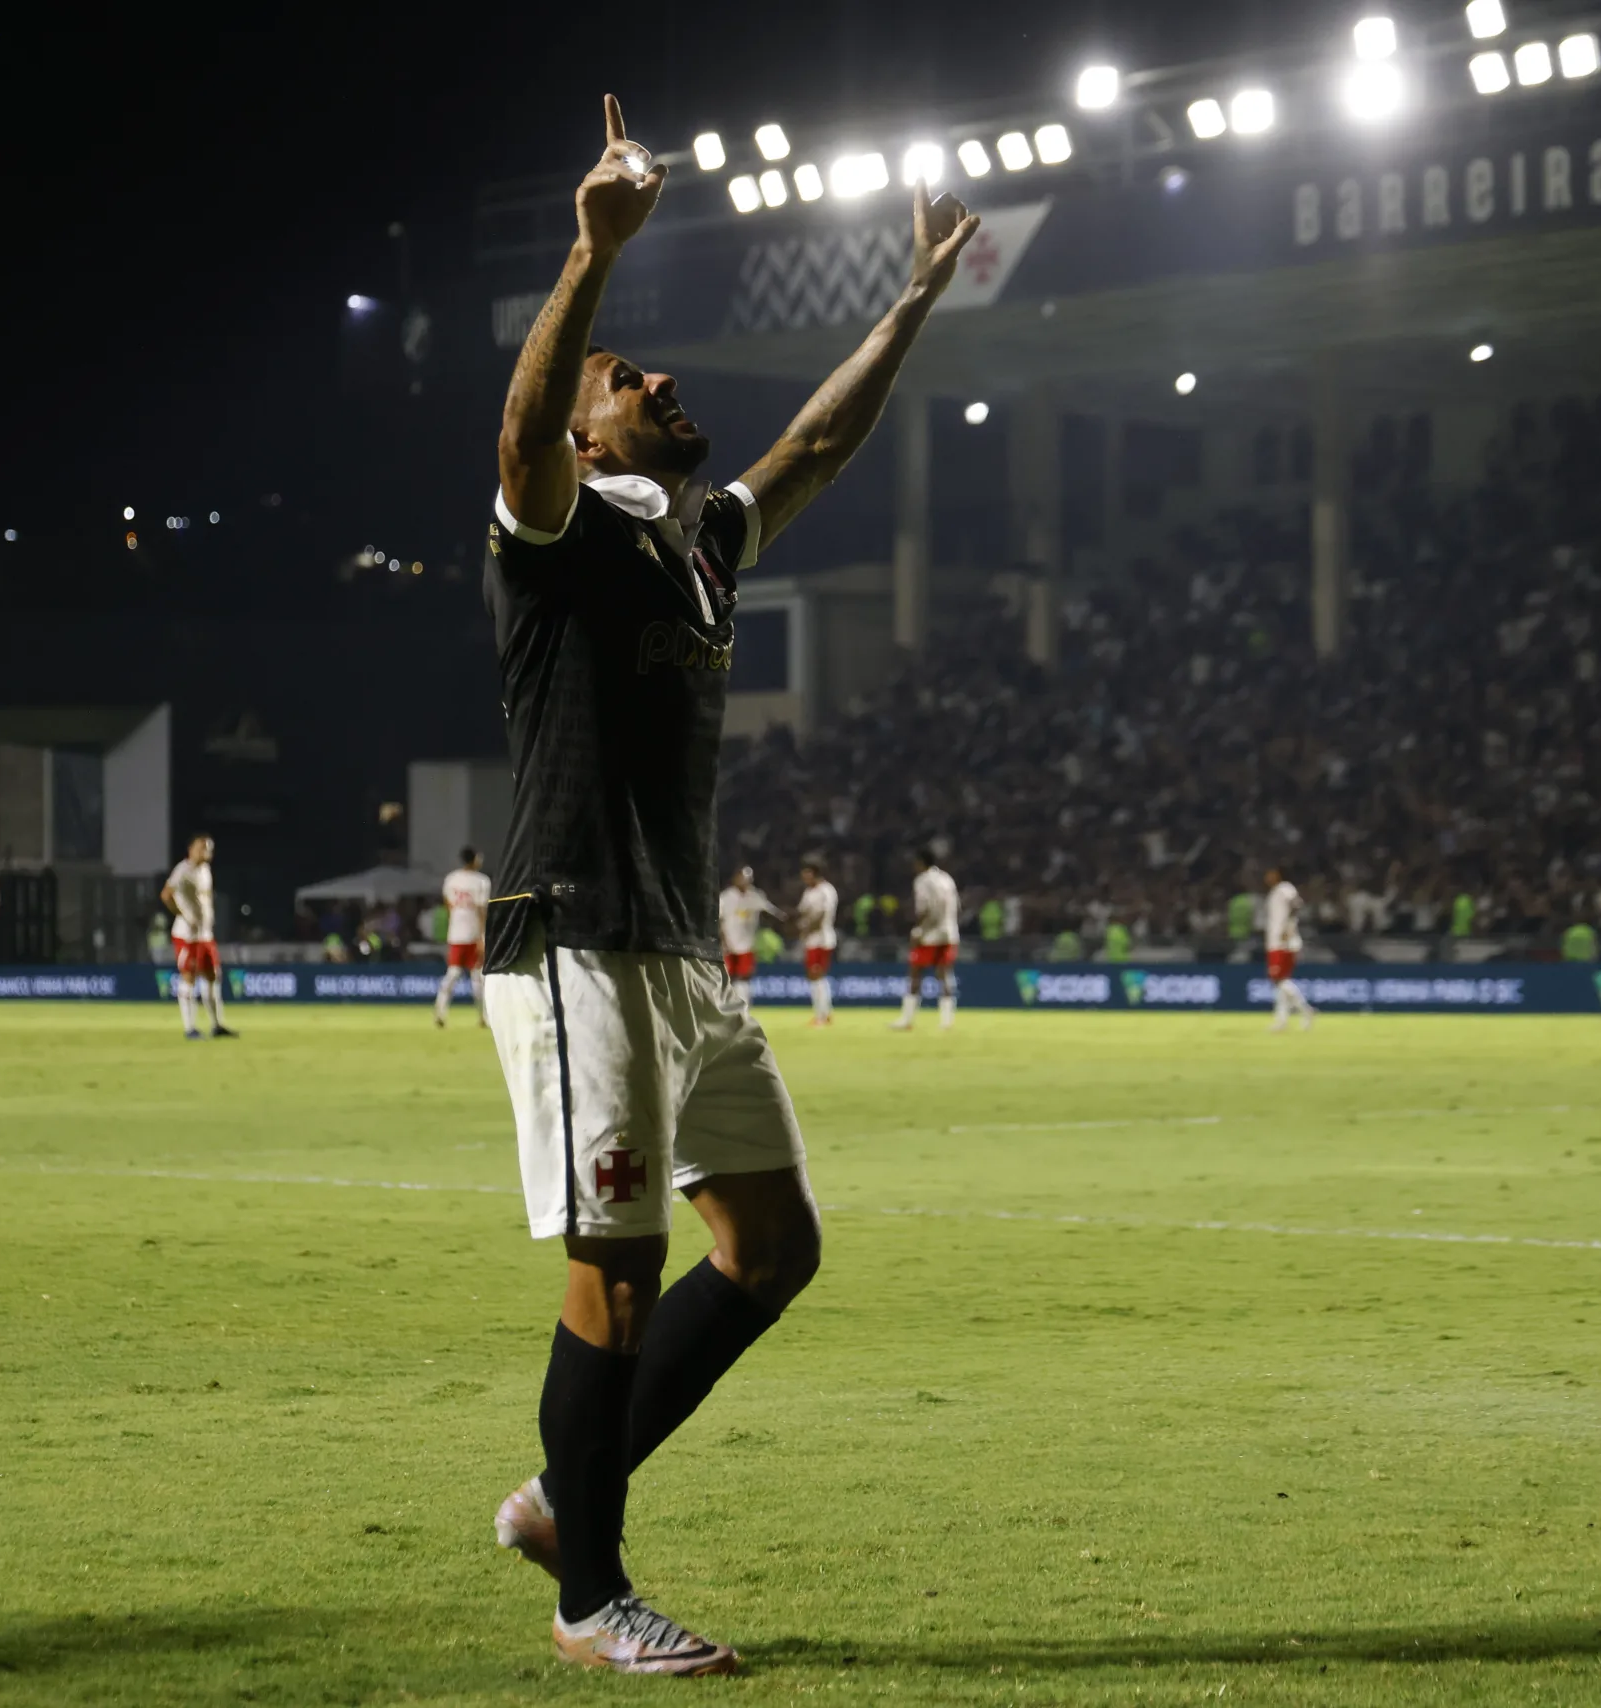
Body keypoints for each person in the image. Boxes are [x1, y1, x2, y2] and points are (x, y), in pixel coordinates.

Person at [479, 94, 979, 1677]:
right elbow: (519, 434)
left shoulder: (695, 544)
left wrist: (906, 305)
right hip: (576, 939)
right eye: (631, 383)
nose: (657, 383)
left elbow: (815, 444)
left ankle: (570, 1498)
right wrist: (589, 258)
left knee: (772, 1248)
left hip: (682, 955)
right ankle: (587, 1601)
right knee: (615, 1279)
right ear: (585, 431)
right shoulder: (554, 527)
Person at [161, 835, 235, 1040]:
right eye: (202, 849)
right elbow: (166, 894)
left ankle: (217, 1025)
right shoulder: (183, 870)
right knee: (189, 977)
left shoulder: (205, 870)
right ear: (191, 849)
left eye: (209, 849)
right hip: (188, 936)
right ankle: (190, 1028)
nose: (206, 853)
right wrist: (182, 915)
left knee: (213, 976)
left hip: (205, 934)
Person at [893, 848, 959, 1031]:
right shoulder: (946, 878)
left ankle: (907, 1020)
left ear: (921, 862)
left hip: (929, 933)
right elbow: (956, 905)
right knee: (944, 975)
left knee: (915, 973)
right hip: (949, 931)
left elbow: (924, 908)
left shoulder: (923, 880)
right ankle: (947, 1022)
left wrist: (918, 930)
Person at [437, 847, 493, 1028]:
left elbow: (448, 904)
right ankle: (484, 1017)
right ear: (474, 859)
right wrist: (483, 936)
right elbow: (481, 909)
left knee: (452, 974)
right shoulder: (482, 881)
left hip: (456, 933)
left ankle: (440, 1012)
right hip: (474, 933)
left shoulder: (451, 879)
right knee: (478, 978)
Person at [1264, 865, 1316, 1032]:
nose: (1267, 876)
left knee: (1278, 978)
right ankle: (1282, 1020)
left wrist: (1288, 927)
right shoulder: (1275, 892)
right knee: (1281, 980)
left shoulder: (1285, 888)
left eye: (1271, 872)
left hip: (1283, 940)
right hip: (1276, 940)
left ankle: (1306, 1010)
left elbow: (1296, 905)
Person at [715, 867, 774, 1003]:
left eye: (748, 878)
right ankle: (728, 1006)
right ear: (735, 878)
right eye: (742, 877)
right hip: (729, 942)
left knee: (744, 976)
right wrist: (723, 940)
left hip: (747, 943)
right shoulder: (726, 896)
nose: (745, 881)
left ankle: (744, 1006)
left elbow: (770, 913)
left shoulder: (756, 896)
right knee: (727, 976)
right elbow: (719, 920)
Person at [792, 859, 839, 1027]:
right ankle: (824, 1013)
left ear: (816, 874)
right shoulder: (809, 892)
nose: (805, 878)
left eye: (807, 874)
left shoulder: (826, 891)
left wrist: (806, 929)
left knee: (816, 974)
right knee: (814, 976)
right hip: (811, 939)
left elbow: (821, 915)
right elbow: (802, 912)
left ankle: (822, 1015)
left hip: (822, 938)